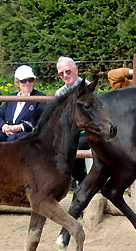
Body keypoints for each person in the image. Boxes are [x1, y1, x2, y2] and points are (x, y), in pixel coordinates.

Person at [0, 65, 46, 142]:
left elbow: (39, 120)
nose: (27, 83)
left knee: (12, 139)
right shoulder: (11, 97)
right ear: (18, 82)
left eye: (30, 80)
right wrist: (4, 127)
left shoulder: (40, 97)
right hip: (6, 132)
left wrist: (20, 127)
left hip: (26, 133)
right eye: (23, 80)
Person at [55, 56, 90, 190]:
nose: (65, 75)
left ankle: (81, 179)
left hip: (86, 130)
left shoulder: (88, 87)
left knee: (75, 144)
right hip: (68, 130)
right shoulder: (60, 92)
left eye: (68, 71)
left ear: (76, 70)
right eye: (61, 73)